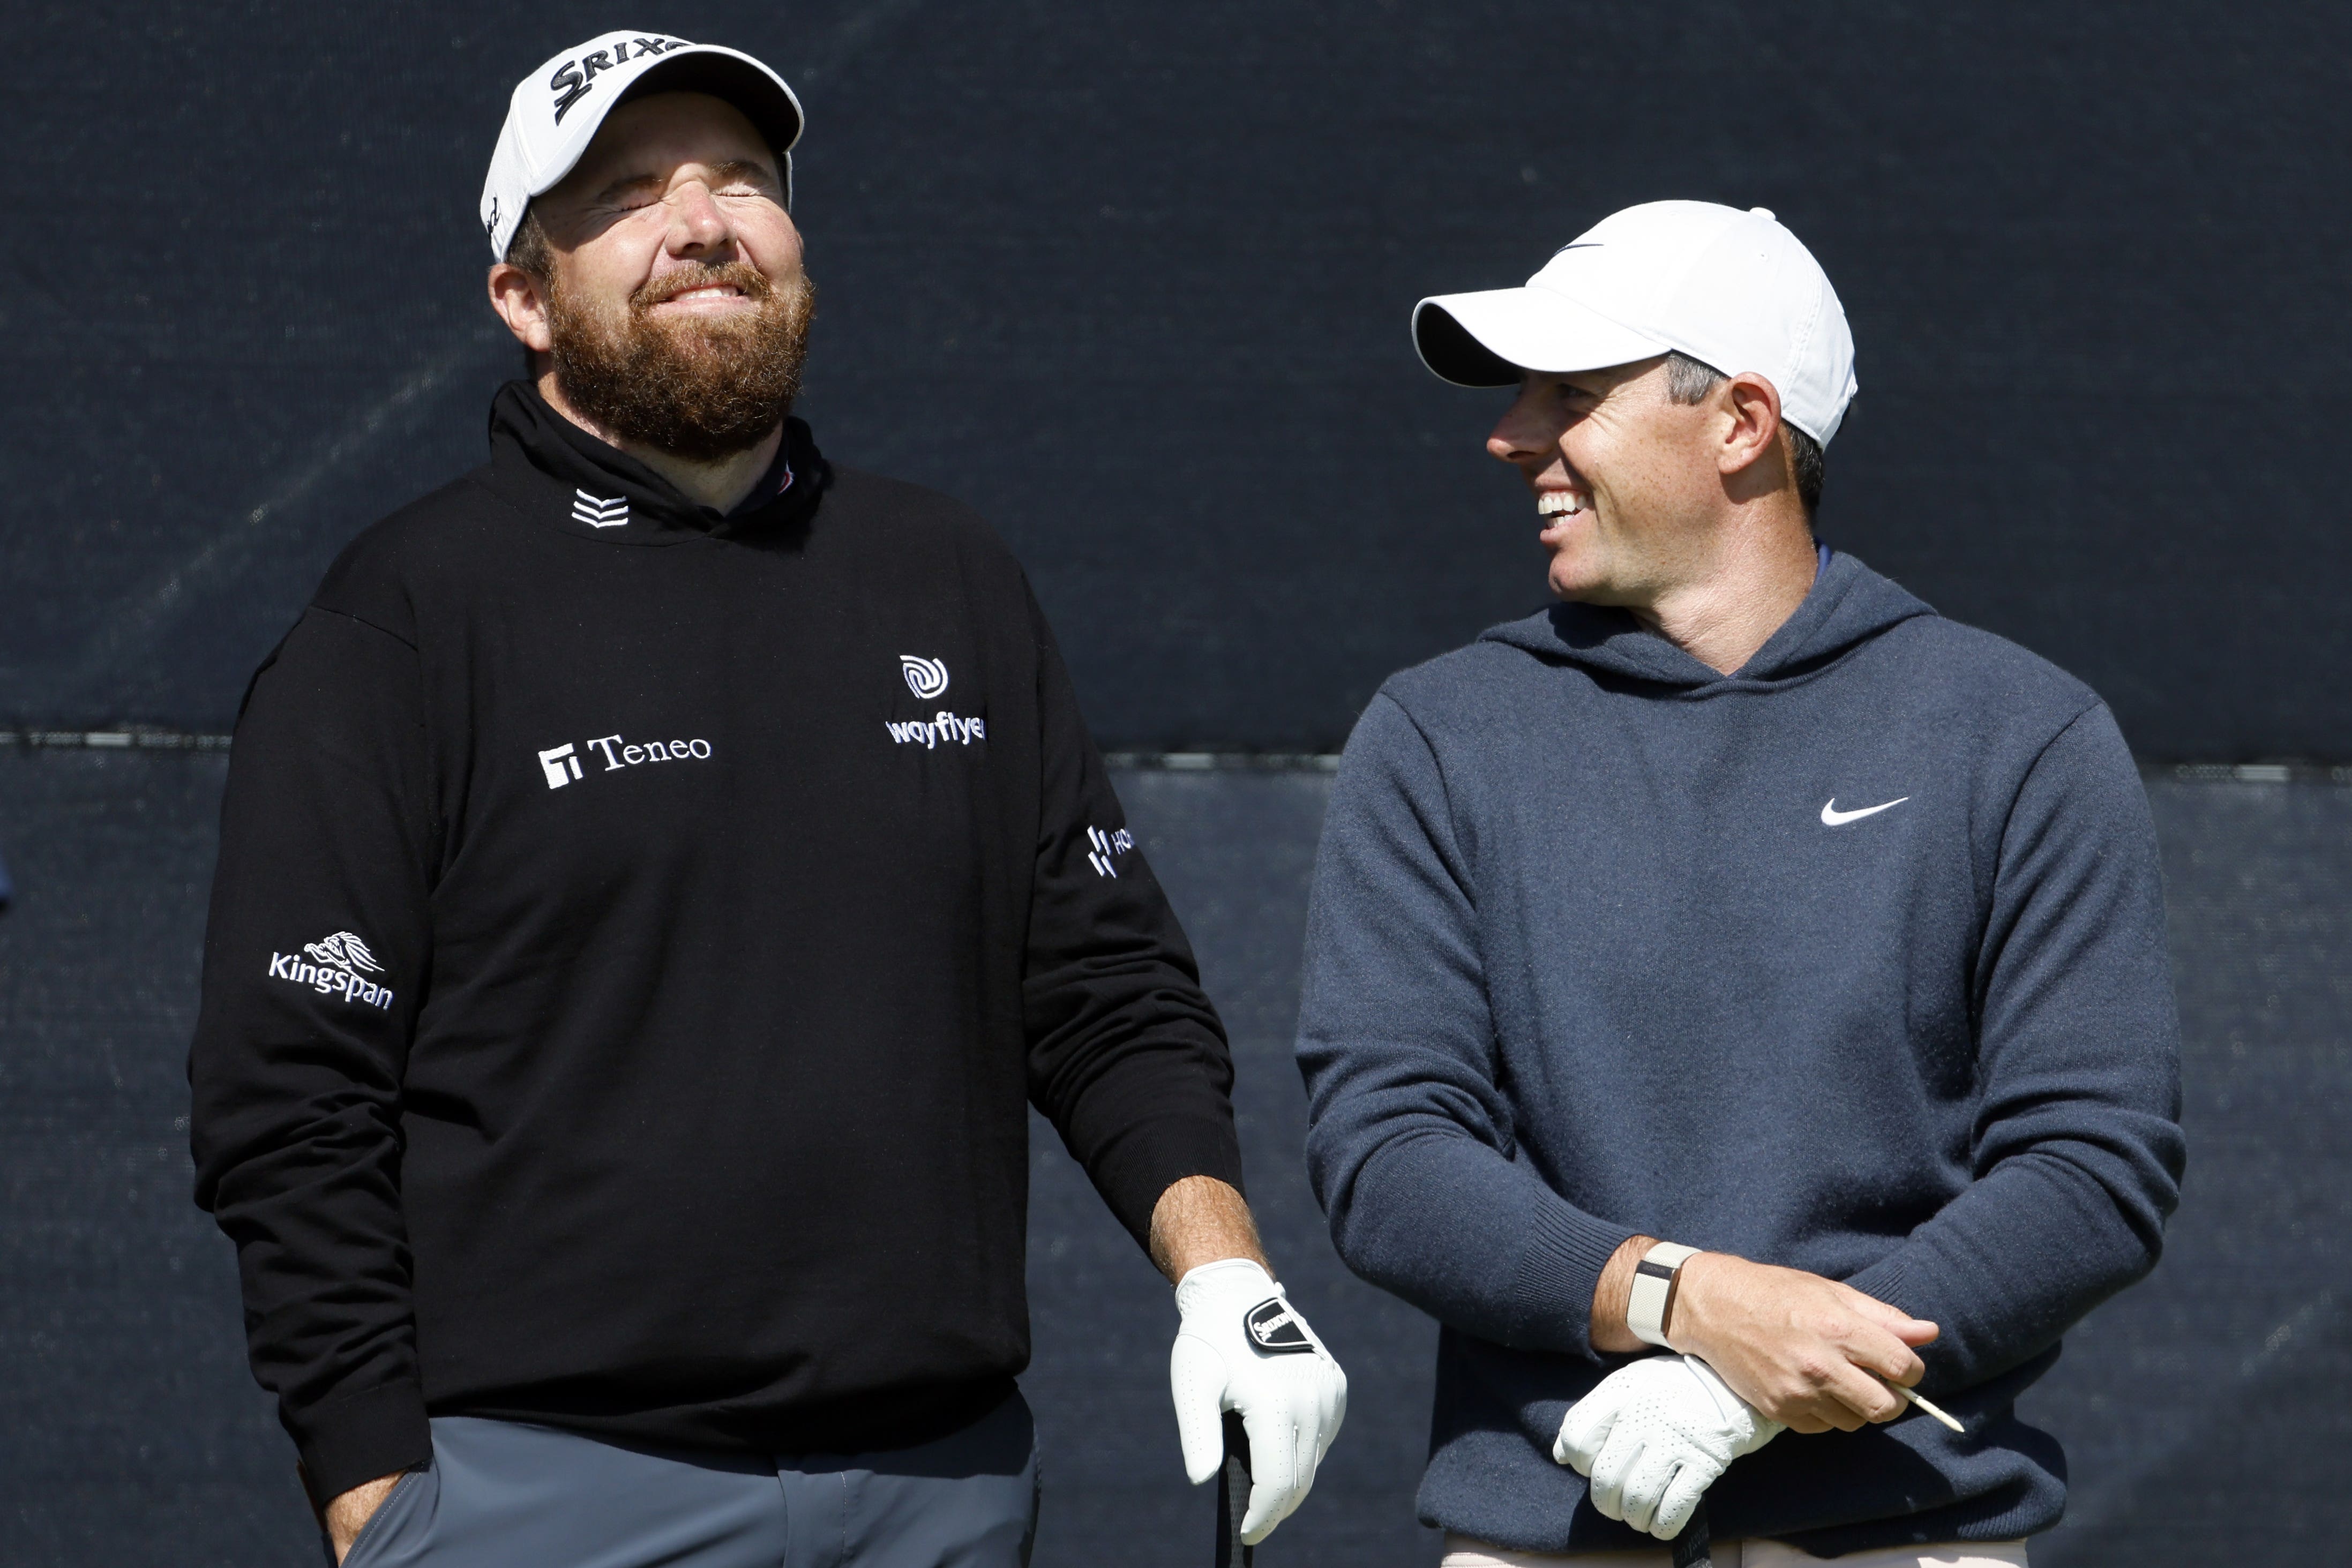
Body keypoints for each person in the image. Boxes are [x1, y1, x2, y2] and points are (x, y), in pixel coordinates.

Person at [188, 32, 1343, 1567]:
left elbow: (1105, 991)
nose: (703, 219)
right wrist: (379, 1500)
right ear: (522, 297)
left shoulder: (945, 575)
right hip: (541, 1496)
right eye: (624, 193)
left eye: (741, 179)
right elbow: (289, 1101)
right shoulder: (404, 618)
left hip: (941, 1490)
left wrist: (1224, 1280)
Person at [1294, 201, 2183, 1566]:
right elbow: (1389, 1157)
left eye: (1571, 394)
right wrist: (1681, 1303)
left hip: (1908, 1536)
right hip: (1553, 1537)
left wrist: (1758, 1386)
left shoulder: (2013, 731)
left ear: (1740, 423)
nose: (1511, 434)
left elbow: (2089, 1167)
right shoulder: (1440, 734)